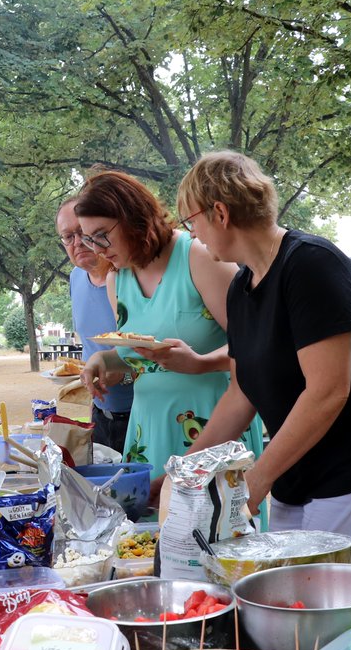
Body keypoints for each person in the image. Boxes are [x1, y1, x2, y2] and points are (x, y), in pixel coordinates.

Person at [177, 151, 351, 569]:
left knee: (328, 601)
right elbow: (241, 392)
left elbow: (328, 391)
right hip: (301, 471)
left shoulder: (311, 265)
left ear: (219, 212)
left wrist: (256, 481)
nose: (192, 234)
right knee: (290, 599)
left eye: (191, 220)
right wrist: (185, 470)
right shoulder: (241, 286)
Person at [74, 171, 265, 488]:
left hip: (214, 427)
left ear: (134, 217)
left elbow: (258, 343)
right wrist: (105, 361)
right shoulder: (116, 280)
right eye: (88, 239)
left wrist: (200, 363)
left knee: (216, 529)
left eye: (102, 234)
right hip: (148, 432)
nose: (96, 248)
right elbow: (144, 355)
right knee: (152, 533)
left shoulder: (199, 256)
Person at [56, 197, 133, 451]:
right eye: (68, 237)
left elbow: (154, 350)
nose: (77, 242)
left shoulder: (128, 277)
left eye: (81, 232)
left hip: (141, 415)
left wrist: (121, 374)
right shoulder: (75, 278)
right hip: (100, 417)